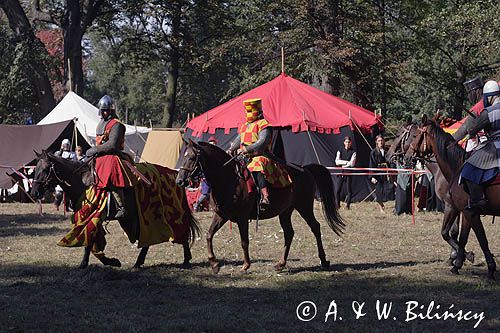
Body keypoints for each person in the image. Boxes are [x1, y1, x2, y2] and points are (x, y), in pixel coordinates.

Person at [227, 98, 285, 211]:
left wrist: (246, 149)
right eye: (247, 112)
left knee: (257, 164)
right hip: (244, 156)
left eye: (251, 111)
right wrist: (230, 149)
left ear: (257, 111)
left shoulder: (264, 124)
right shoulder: (245, 125)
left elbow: (262, 142)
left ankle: (265, 196)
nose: (249, 114)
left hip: (260, 155)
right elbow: (238, 140)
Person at [85, 95, 136, 219]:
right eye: (102, 110)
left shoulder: (116, 125)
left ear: (111, 110)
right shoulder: (101, 124)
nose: (103, 112)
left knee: (110, 175)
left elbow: (112, 145)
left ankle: (121, 206)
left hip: (113, 155)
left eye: (106, 110)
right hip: (100, 155)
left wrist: (95, 149)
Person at [454, 80, 500, 211]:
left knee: (469, 168)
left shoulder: (488, 111)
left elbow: (472, 129)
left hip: (495, 147)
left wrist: (473, 128)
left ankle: (478, 200)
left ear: (489, 97)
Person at [193, 136, 217, 212]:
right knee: (205, 193)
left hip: (215, 177)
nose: (213, 145)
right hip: (206, 177)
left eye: (214, 143)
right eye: (212, 143)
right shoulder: (205, 154)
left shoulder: (217, 153)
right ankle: (196, 205)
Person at [369, 135, 390, 213]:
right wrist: (372, 176)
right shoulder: (373, 152)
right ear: (376, 142)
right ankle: (381, 207)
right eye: (379, 141)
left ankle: (382, 203)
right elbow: (371, 164)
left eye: (381, 140)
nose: (380, 142)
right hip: (377, 173)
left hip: (385, 172)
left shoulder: (386, 151)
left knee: (386, 189)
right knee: (379, 191)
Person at [335, 136, 356, 209]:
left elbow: (352, 164)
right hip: (341, 172)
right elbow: (337, 162)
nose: (347, 143)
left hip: (349, 172)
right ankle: (337, 205)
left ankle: (347, 206)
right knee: (338, 189)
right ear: (344, 142)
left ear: (351, 143)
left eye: (349, 142)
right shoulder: (340, 150)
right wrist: (347, 162)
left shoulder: (353, 152)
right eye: (346, 142)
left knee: (349, 190)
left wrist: (343, 163)